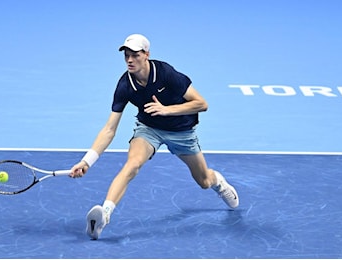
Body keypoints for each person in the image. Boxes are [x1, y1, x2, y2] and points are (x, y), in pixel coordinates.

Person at [69, 34, 239, 240]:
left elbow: (202, 104)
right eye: (126, 56)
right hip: (149, 129)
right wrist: (87, 161)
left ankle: (218, 182)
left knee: (203, 181)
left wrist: (167, 110)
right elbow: (109, 129)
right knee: (132, 164)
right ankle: (104, 214)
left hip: (182, 131)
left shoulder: (166, 73)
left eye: (135, 55)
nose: (130, 60)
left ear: (146, 55)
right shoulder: (125, 85)